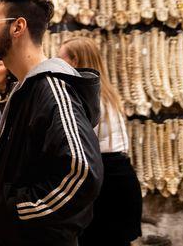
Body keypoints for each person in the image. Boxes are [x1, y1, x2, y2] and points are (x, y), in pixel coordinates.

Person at [0, 0, 103, 246]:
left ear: (18, 27)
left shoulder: (52, 89)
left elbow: (82, 171)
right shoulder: (26, 89)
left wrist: (16, 210)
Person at [58, 37, 142, 246]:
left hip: (104, 184)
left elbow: (79, 147)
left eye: (61, 60)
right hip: (122, 178)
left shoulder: (86, 98)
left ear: (75, 61)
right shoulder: (109, 94)